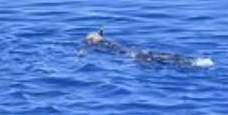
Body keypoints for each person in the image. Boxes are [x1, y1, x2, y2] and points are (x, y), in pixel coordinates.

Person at [82, 29, 213, 68]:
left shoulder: (99, 45)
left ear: (92, 41)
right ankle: (194, 61)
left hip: (133, 57)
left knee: (162, 62)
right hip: (138, 52)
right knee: (164, 57)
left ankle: (192, 63)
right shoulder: (109, 41)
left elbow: (85, 50)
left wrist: (82, 51)